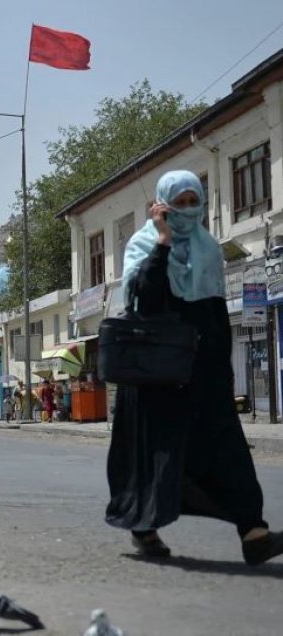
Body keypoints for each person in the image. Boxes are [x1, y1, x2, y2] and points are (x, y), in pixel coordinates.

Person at [107, 169, 283, 565]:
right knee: (156, 453)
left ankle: (253, 532)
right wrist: (164, 242)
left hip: (204, 375)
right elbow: (145, 300)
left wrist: (222, 374)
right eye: (179, 202)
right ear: (161, 205)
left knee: (227, 449)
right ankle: (144, 527)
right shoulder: (142, 245)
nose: (187, 210)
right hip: (157, 374)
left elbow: (216, 313)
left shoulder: (209, 249)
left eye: (193, 201)